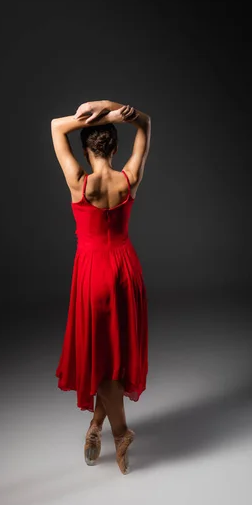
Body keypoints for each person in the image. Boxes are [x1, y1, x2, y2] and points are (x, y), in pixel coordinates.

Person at [51, 99, 151, 474]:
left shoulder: (79, 182)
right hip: (126, 270)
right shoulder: (129, 178)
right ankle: (96, 424)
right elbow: (146, 126)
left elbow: (56, 127)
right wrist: (115, 110)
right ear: (115, 147)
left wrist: (95, 114)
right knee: (109, 354)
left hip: (93, 274)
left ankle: (120, 433)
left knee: (104, 360)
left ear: (86, 147)